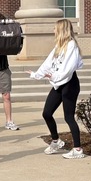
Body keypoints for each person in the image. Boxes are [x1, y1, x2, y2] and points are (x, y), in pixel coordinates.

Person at [30, 19, 85, 159]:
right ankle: (56, 141)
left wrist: (53, 76)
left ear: (61, 30)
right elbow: (47, 63)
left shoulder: (72, 45)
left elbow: (68, 68)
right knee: (47, 113)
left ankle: (78, 149)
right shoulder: (59, 46)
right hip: (58, 84)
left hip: (69, 84)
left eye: (55, 28)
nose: (53, 31)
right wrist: (36, 74)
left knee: (68, 117)